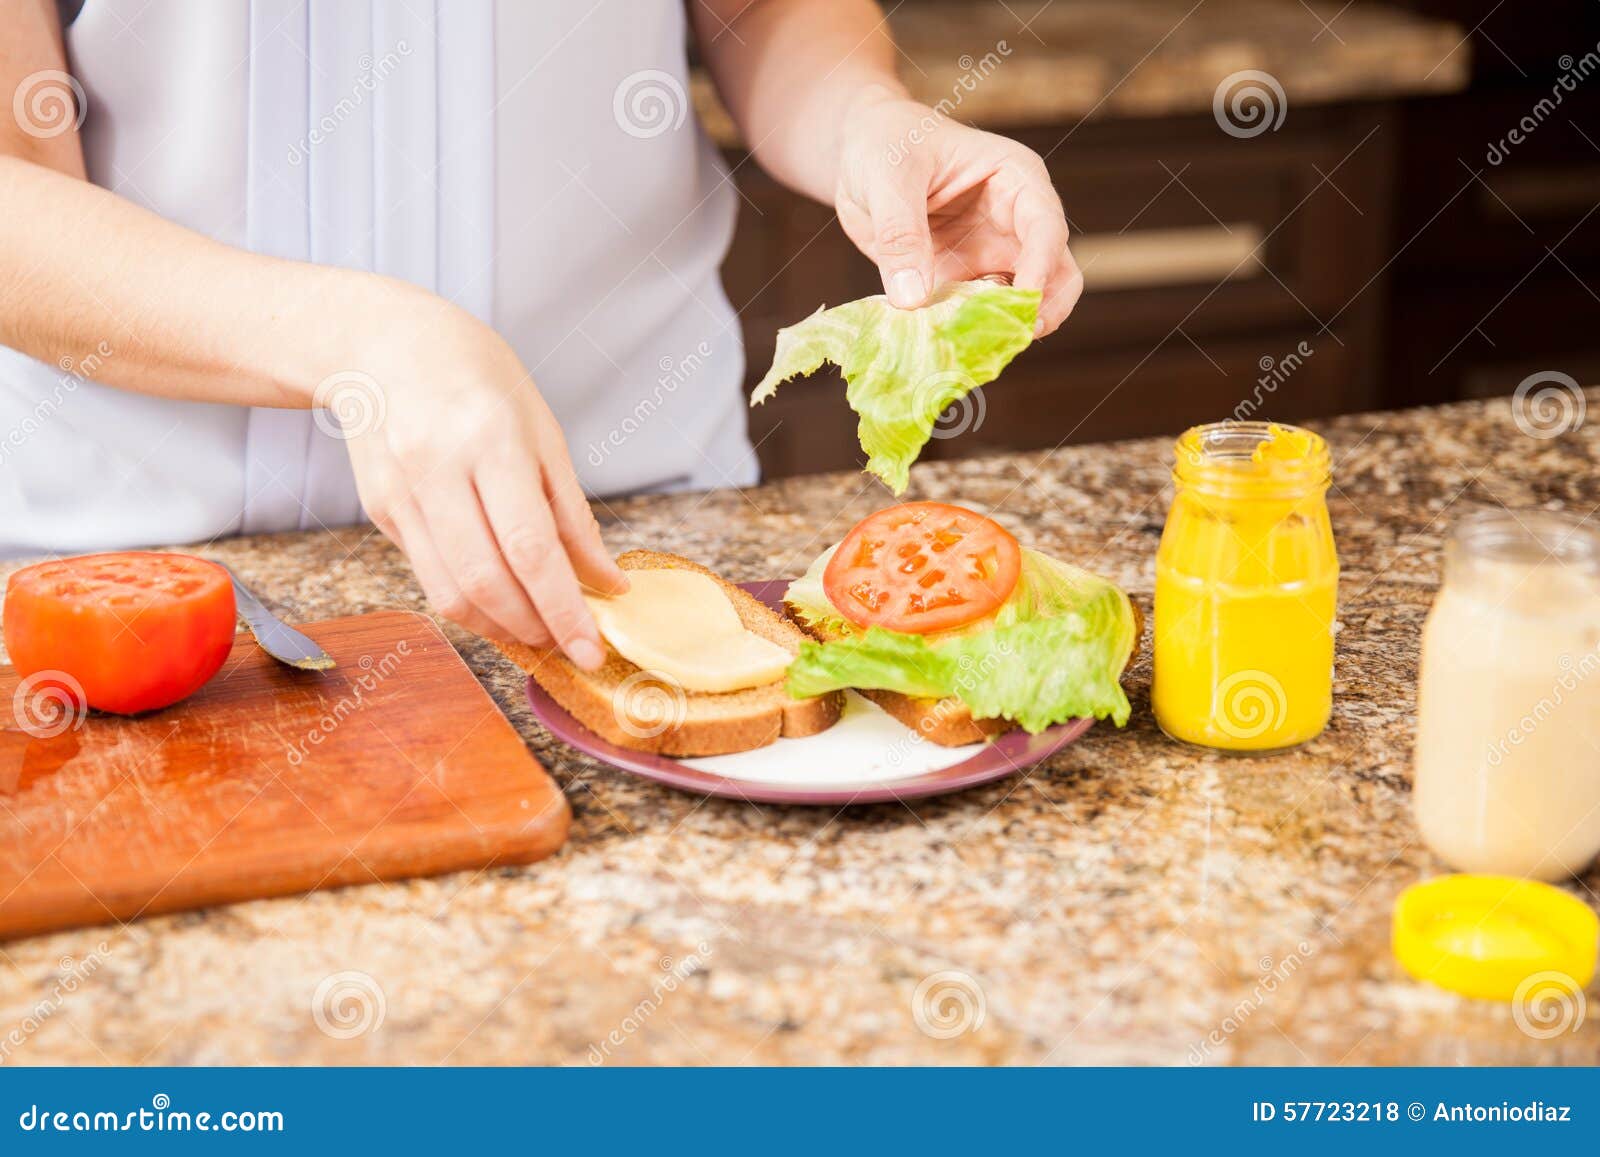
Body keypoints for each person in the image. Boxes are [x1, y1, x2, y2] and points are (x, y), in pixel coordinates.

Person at [0, 0, 1082, 671]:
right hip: (142, 588)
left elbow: (766, 11)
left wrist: (864, 123)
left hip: (636, 541)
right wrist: (355, 341)